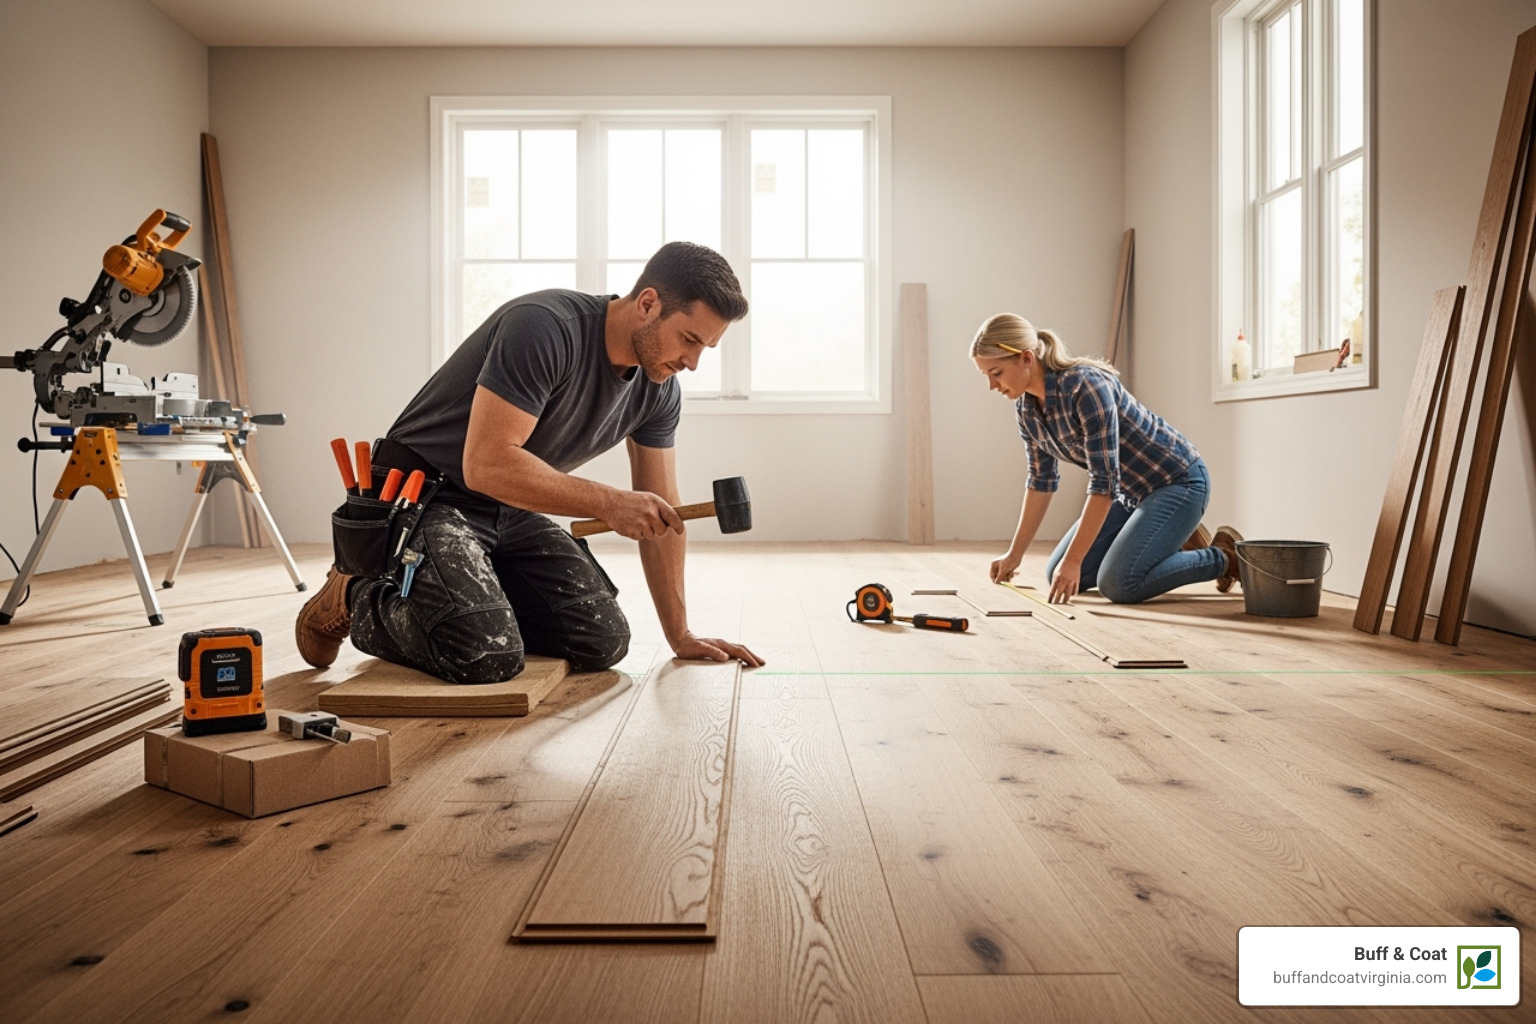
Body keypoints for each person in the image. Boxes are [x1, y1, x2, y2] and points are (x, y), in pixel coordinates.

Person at [296, 241, 764, 682]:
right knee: (485, 653)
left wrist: (679, 635)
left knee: (602, 640)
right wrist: (609, 503)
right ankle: (355, 591)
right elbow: (487, 463)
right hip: (424, 494)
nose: (694, 361)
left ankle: (469, 596)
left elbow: (665, 511)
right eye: (689, 339)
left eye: (705, 347)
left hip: (506, 505)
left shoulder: (657, 390)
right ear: (647, 303)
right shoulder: (544, 326)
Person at [971, 312, 1242, 604]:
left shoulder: (1085, 386)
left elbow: (1104, 483)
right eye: (986, 375)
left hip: (1178, 483)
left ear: (1026, 358)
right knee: (1057, 574)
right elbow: (1041, 482)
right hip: (1130, 494)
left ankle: (1225, 557)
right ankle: (1171, 539)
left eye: (996, 373)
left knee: (1119, 584)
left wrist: (1073, 561)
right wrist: (1015, 555)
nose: (991, 386)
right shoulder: (1027, 409)